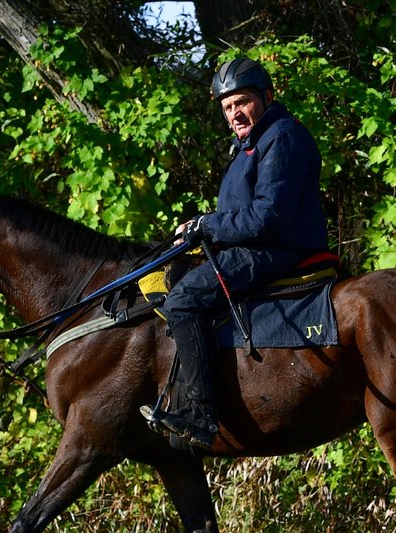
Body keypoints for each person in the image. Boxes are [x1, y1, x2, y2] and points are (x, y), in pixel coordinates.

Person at [141, 57, 329, 450]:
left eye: (241, 102)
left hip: (278, 250)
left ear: (267, 97)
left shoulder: (282, 137)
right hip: (257, 245)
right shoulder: (250, 145)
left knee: (185, 301)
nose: (234, 113)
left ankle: (199, 414)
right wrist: (198, 230)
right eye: (227, 107)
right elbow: (237, 215)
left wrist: (206, 226)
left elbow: (266, 217)